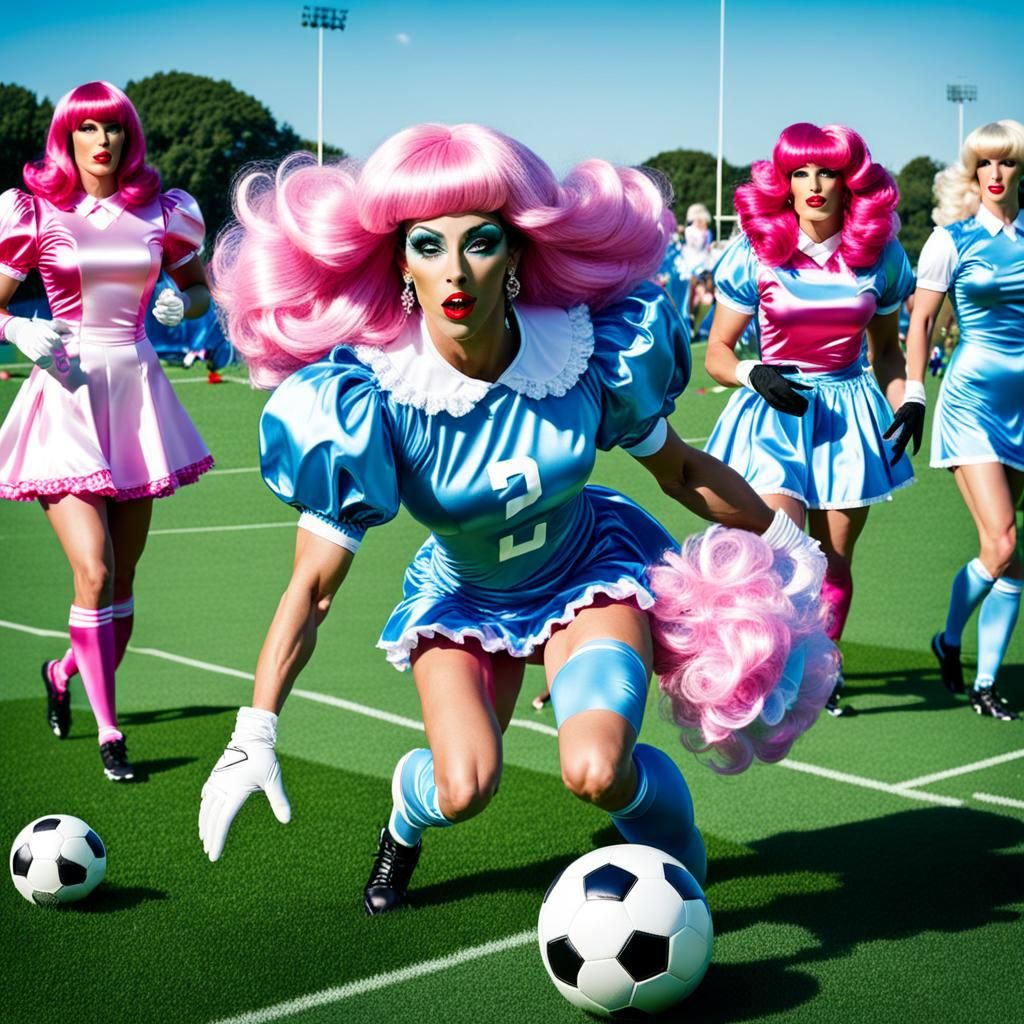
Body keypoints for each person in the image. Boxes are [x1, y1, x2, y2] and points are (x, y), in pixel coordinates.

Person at [197, 124, 836, 915]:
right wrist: (253, 730)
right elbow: (313, 589)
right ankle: (407, 813)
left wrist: (785, 545)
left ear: (518, 254)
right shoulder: (368, 399)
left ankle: (677, 856)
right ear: (400, 263)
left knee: (596, 769)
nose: (456, 270)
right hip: (468, 599)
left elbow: (683, 471)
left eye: (482, 242)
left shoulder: (587, 354)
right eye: (428, 245)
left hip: (591, 568)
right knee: (464, 786)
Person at [0, 81, 214, 780]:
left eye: (114, 130)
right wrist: (16, 327)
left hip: (136, 393)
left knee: (121, 587)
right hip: (64, 389)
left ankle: (62, 673)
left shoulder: (165, 210)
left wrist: (186, 296)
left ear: (128, 139)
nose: (102, 141)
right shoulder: (33, 212)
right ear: (66, 137)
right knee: (91, 571)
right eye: (88, 129)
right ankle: (110, 734)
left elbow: (198, 283)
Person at [703, 123, 917, 716]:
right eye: (800, 173)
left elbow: (889, 352)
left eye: (827, 173)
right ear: (784, 183)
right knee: (783, 554)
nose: (814, 185)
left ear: (852, 185)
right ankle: (767, 677)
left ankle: (819, 672)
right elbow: (719, 351)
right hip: (775, 408)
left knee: (833, 564)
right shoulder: (754, 249)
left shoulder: (883, 255)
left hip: (849, 415)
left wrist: (910, 399)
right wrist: (754, 374)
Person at [896, 119, 1024, 720]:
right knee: (1003, 542)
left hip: (1023, 408)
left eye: (1007, 164)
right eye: (986, 165)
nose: (996, 176)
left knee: (1006, 556)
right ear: (974, 173)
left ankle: (984, 678)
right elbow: (920, 322)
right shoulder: (951, 240)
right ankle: (952, 642)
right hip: (971, 401)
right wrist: (915, 392)